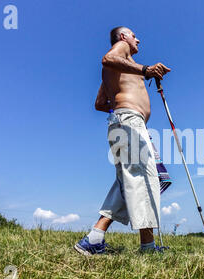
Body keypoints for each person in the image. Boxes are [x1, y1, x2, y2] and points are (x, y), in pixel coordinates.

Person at [74, 26, 171, 256]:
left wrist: (120, 103)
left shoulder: (119, 68)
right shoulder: (119, 52)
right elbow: (107, 58)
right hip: (129, 122)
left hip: (123, 122)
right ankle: (147, 248)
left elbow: (99, 103)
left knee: (130, 180)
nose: (138, 39)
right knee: (143, 179)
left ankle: (94, 238)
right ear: (123, 37)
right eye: (134, 35)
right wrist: (145, 71)